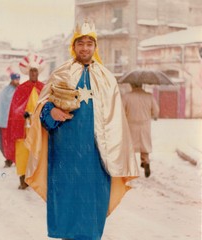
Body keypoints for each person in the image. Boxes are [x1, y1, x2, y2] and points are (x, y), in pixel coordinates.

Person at [24, 21, 139, 240]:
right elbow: (41, 106)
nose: (85, 48)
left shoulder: (107, 79)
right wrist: (51, 112)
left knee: (92, 210)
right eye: (81, 43)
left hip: (96, 157)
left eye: (89, 43)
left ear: (95, 47)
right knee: (67, 208)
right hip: (64, 155)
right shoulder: (61, 73)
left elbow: (117, 122)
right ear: (73, 46)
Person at [5, 54, 45, 189]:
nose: (33, 73)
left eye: (35, 71)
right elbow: (15, 108)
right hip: (24, 126)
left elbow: (48, 105)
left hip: (39, 126)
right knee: (23, 152)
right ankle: (23, 178)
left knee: (39, 152)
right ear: (28, 73)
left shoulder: (43, 88)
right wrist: (23, 114)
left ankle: (37, 178)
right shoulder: (21, 89)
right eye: (31, 71)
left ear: (38, 72)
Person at [122, 83, 159, 178]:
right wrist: (154, 115)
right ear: (142, 85)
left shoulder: (126, 96)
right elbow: (156, 110)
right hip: (145, 125)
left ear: (131, 85)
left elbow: (121, 110)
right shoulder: (149, 96)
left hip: (131, 124)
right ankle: (145, 161)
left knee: (130, 146)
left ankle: (129, 167)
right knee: (144, 145)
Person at [0, 72, 20, 167]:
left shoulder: (20, 89)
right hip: (6, 121)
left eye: (18, 79)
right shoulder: (5, 91)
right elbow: (1, 106)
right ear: (12, 79)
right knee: (6, 142)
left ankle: (17, 158)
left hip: (17, 121)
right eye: (16, 79)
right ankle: (8, 159)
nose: (17, 81)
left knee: (17, 141)